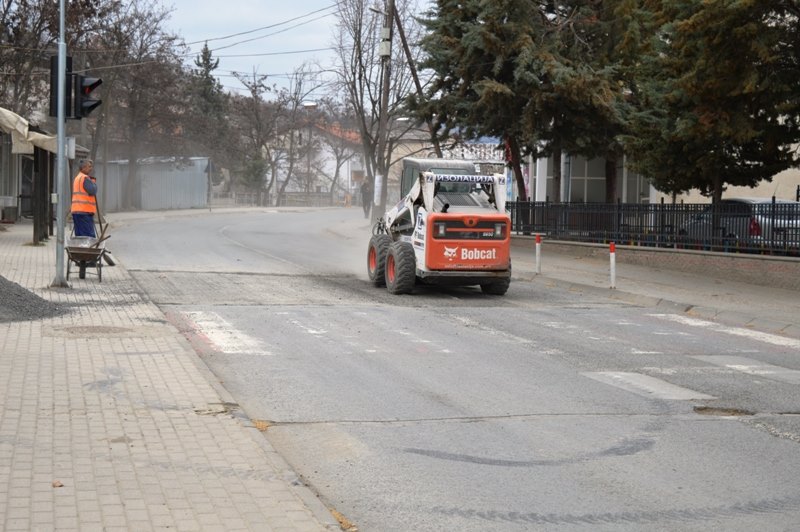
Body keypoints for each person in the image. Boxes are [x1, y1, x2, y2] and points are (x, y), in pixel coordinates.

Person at [71, 159, 97, 237]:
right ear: (83, 167)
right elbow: (93, 190)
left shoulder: (77, 178)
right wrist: (93, 181)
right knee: (88, 237)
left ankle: (80, 249)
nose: (91, 168)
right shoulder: (85, 178)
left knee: (79, 237)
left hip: (77, 211)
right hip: (84, 212)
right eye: (89, 166)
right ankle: (86, 249)